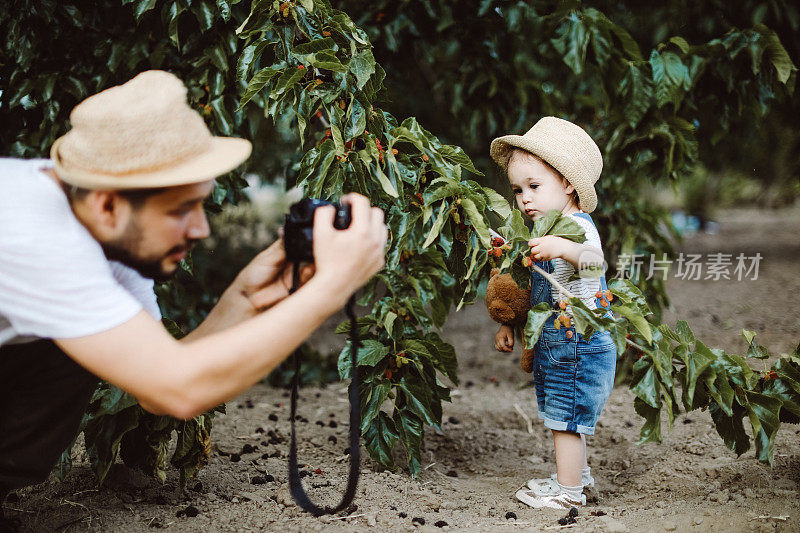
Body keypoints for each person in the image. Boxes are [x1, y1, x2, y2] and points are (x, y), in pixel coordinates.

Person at [0, 70, 388, 513]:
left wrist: (247, 297)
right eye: (182, 210)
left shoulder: (99, 226)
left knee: (78, 344)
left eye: (201, 204)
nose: (201, 229)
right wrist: (331, 288)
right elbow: (178, 390)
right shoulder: (35, 236)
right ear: (107, 204)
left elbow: (154, 381)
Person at [489, 117, 617, 510]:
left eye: (534, 186)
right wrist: (510, 322)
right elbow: (532, 288)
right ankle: (576, 476)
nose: (524, 198)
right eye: (517, 190)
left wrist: (563, 247)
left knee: (566, 417)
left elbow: (596, 267)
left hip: (580, 341)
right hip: (557, 340)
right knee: (561, 411)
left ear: (567, 184)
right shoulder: (544, 230)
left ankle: (567, 491)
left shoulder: (577, 228)